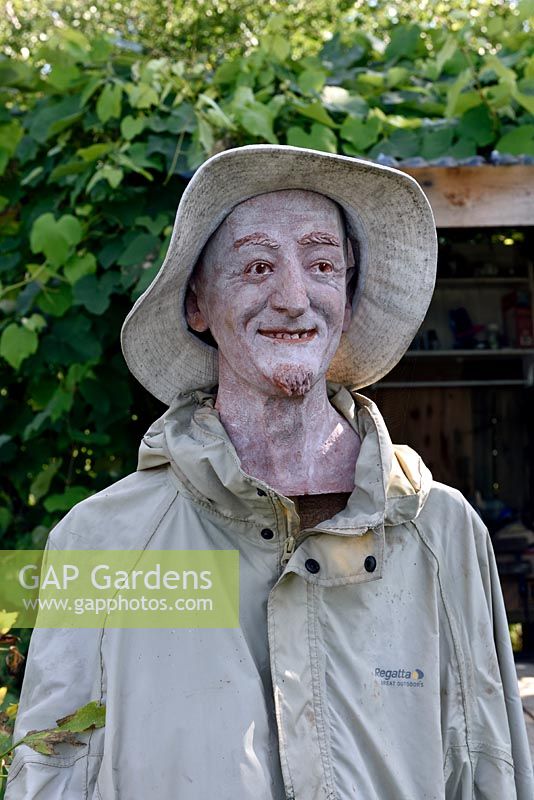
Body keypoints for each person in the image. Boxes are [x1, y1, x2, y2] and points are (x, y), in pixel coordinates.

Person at [6, 145, 533, 799]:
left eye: (320, 264)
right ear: (197, 304)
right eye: (257, 266)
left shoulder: (442, 530)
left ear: (346, 292)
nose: (293, 297)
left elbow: (494, 767)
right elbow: (50, 775)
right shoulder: (103, 542)